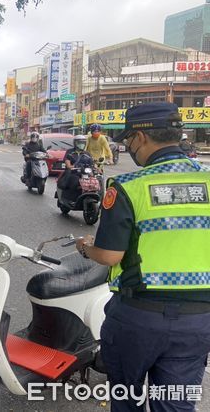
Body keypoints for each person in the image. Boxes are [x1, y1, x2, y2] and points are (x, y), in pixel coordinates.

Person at [74, 102, 210, 412]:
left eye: (128, 140)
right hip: (198, 319)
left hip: (137, 317)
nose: (128, 146)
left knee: (127, 400)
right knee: (175, 406)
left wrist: (85, 246)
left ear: (141, 138)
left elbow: (109, 256)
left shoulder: (129, 186)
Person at [58, 135, 94, 203]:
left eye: (83, 143)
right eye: (79, 143)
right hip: (74, 173)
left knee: (94, 182)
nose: (81, 144)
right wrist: (71, 166)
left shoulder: (87, 154)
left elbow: (92, 164)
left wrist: (96, 170)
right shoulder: (70, 152)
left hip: (85, 173)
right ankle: (69, 199)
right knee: (75, 181)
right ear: (75, 143)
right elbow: (67, 162)